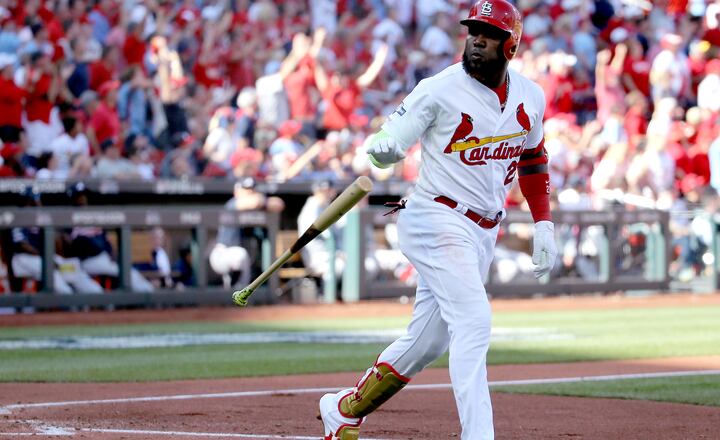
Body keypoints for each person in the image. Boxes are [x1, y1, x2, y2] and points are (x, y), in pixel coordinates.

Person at [318, 2, 558, 439]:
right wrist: (384, 148)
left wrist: (543, 222)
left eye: (488, 33)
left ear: (512, 44)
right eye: (473, 31)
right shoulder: (439, 88)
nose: (477, 39)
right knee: (473, 320)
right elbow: (388, 139)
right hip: (435, 216)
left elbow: (534, 159)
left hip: (483, 229)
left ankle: (345, 408)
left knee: (428, 342)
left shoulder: (531, 96)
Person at [209, 177, 284, 288]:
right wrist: (261, 200)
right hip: (222, 255)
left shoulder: (257, 206)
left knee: (247, 256)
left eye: (252, 190)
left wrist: (262, 202)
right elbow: (254, 202)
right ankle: (239, 289)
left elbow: (279, 204)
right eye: (246, 189)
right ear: (236, 191)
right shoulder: (232, 204)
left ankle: (238, 290)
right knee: (241, 254)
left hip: (240, 258)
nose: (249, 192)